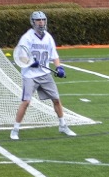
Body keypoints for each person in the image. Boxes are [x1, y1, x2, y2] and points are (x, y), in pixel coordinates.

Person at [10, 11, 76, 140]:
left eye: (43, 20)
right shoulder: (27, 37)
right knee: (26, 102)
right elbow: (20, 55)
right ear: (33, 22)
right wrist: (29, 62)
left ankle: (62, 125)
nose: (41, 22)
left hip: (45, 74)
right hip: (30, 75)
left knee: (56, 99)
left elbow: (54, 55)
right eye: (38, 20)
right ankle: (15, 129)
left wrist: (59, 67)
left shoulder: (48, 37)